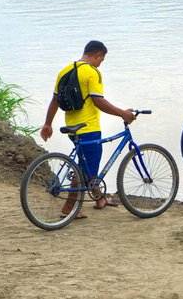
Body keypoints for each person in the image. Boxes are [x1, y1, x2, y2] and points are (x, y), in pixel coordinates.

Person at [40, 40, 135, 219]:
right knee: (85, 170)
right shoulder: (92, 73)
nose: (101, 63)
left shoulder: (65, 71)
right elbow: (99, 101)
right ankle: (69, 207)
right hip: (88, 127)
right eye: (102, 59)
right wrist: (122, 113)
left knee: (88, 165)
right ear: (97, 55)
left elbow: (55, 100)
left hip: (71, 127)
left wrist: (48, 124)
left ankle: (99, 198)